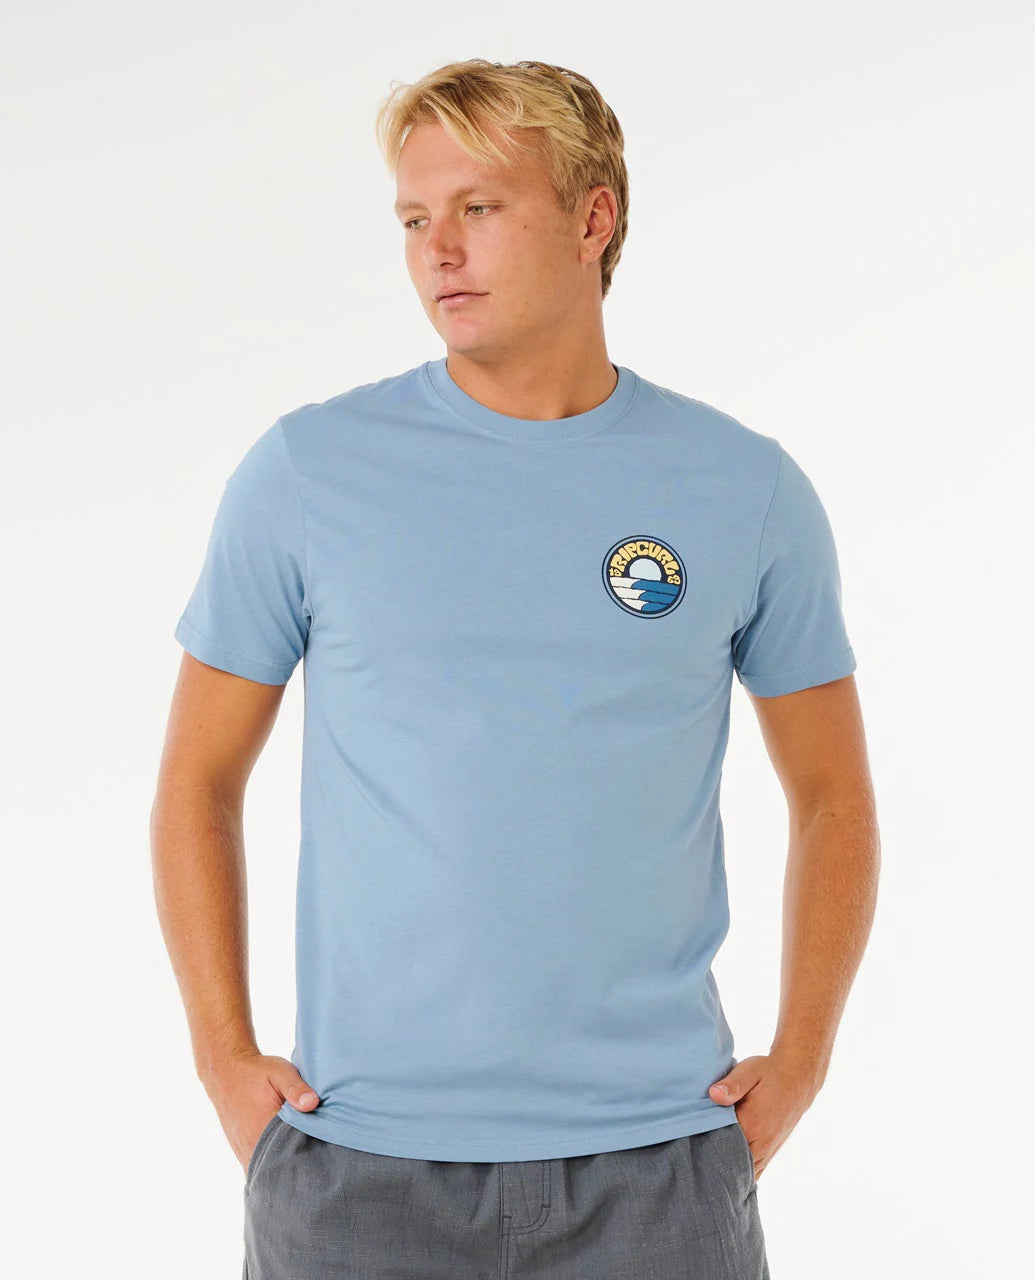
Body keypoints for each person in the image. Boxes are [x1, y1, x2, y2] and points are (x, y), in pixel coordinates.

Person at [151, 57, 880, 1280]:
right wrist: (226, 1062)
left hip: (658, 1168)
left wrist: (801, 1058)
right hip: (356, 1166)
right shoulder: (307, 474)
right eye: (413, 219)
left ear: (593, 219)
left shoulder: (743, 488)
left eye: (478, 208)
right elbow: (195, 783)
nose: (438, 249)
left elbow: (835, 797)